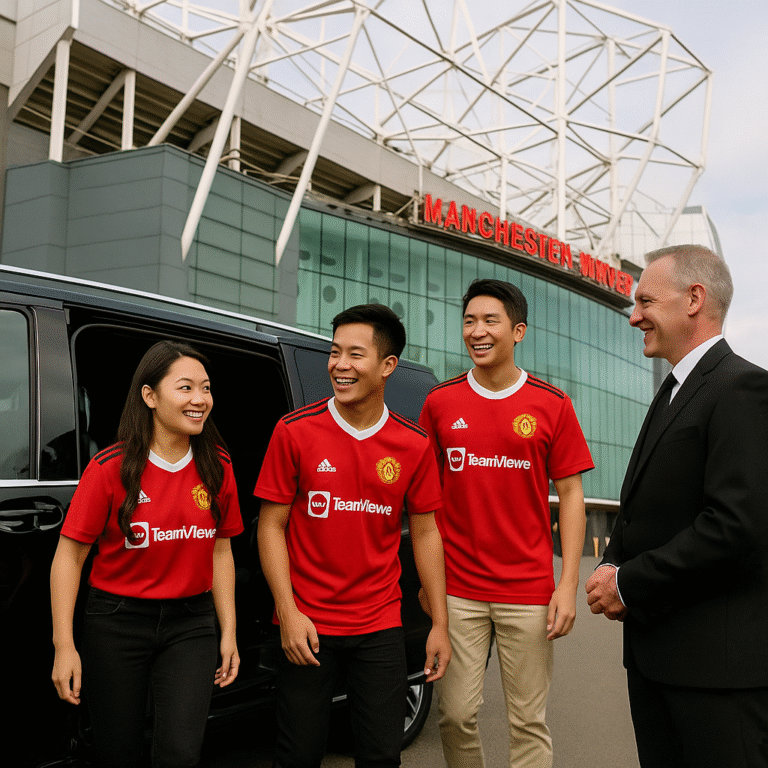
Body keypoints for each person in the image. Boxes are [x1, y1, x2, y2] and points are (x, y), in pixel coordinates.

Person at [585, 244, 768, 767]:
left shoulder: (742, 388)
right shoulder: (673, 391)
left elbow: (733, 526)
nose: (633, 315)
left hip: (716, 678)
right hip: (657, 663)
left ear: (694, 298)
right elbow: (644, 507)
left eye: (645, 301)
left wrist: (629, 582)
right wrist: (611, 561)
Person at [255, 303, 450, 768]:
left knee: (381, 756)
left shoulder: (413, 444)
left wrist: (439, 622)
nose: (340, 365)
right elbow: (271, 526)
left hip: (379, 625)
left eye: (355, 354)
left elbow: (426, 533)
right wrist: (288, 610)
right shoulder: (294, 432)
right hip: (308, 624)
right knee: (298, 755)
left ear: (386, 366)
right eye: (335, 352)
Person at [419, 278, 594, 768]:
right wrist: (428, 585)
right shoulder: (440, 403)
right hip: (458, 589)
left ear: (517, 331)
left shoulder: (551, 404)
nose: (477, 331)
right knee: (454, 715)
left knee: (527, 723)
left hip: (528, 591)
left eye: (490, 321)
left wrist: (567, 585)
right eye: (469, 320)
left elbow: (572, 494)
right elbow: (423, 503)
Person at [50, 340, 243, 768]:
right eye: (185, 388)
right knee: (117, 751)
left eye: (206, 388)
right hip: (117, 623)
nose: (199, 400)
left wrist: (227, 630)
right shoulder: (109, 468)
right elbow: (68, 558)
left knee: (180, 752)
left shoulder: (218, 466)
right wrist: (64, 645)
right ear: (150, 396)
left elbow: (221, 550)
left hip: (191, 625)